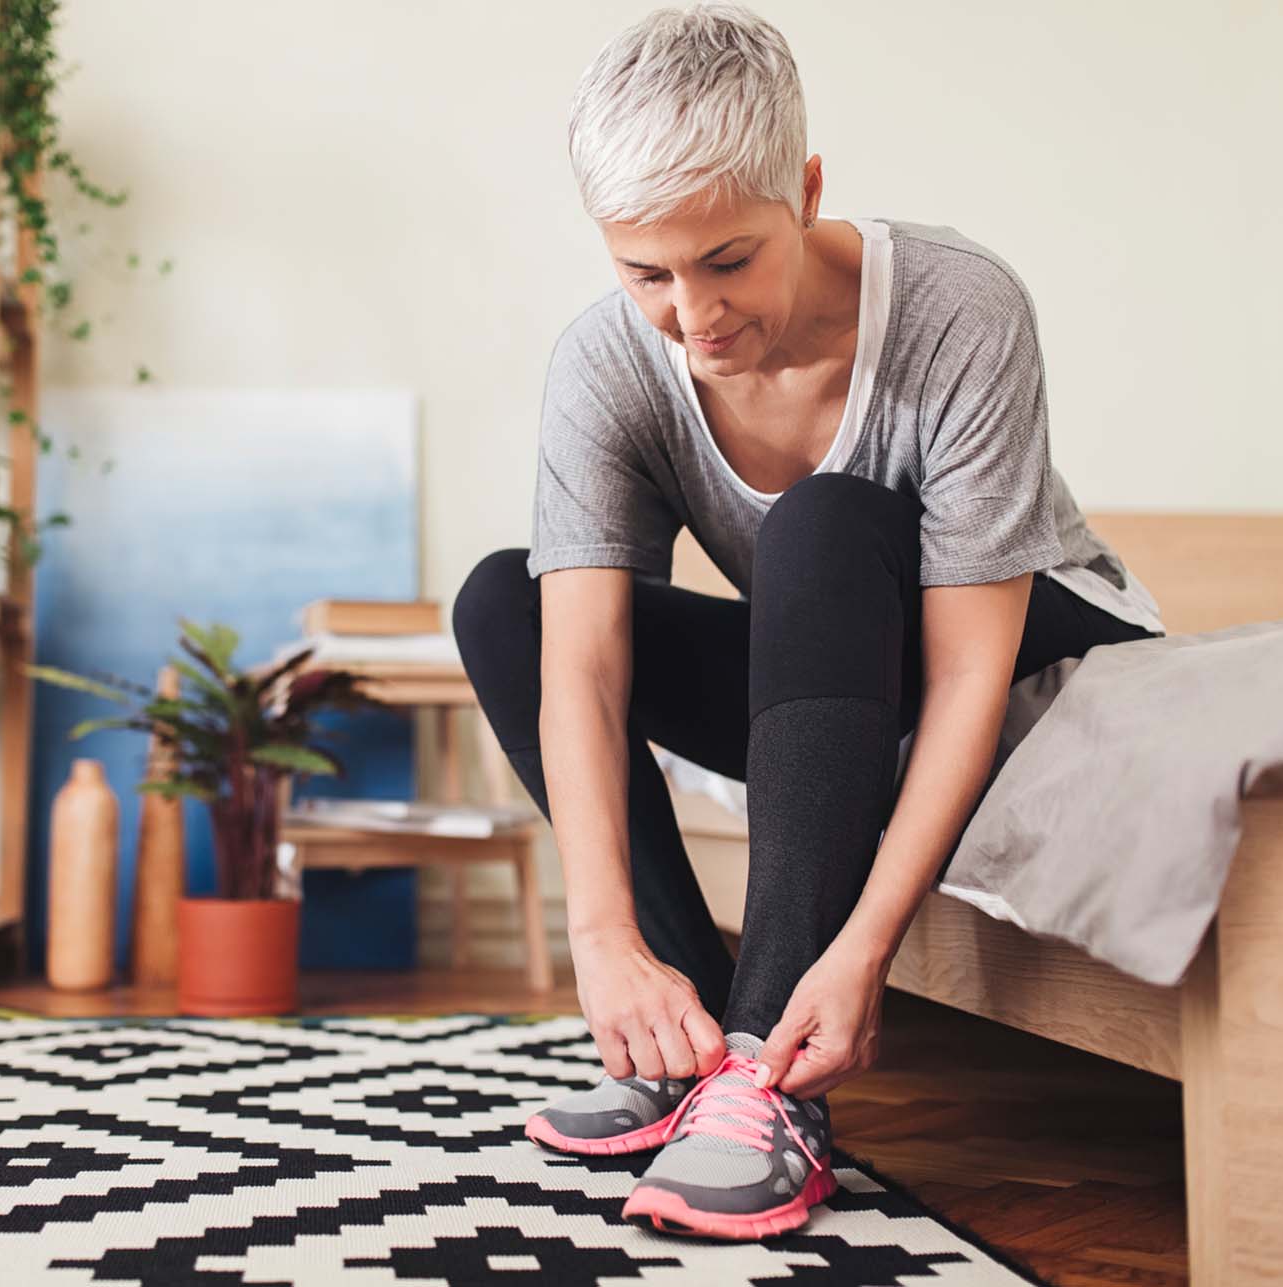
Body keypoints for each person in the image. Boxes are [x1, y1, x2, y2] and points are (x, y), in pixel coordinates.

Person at [450, 2, 1166, 1242]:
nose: (694, 314)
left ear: (808, 189)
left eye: (729, 260)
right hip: (840, 683)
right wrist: (604, 939)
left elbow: (962, 676)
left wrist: (863, 950)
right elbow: (585, 671)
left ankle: (762, 1068)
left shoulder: (959, 307)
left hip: (1030, 656)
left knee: (824, 521)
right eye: (645, 272)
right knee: (501, 600)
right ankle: (672, 1041)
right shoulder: (608, 365)